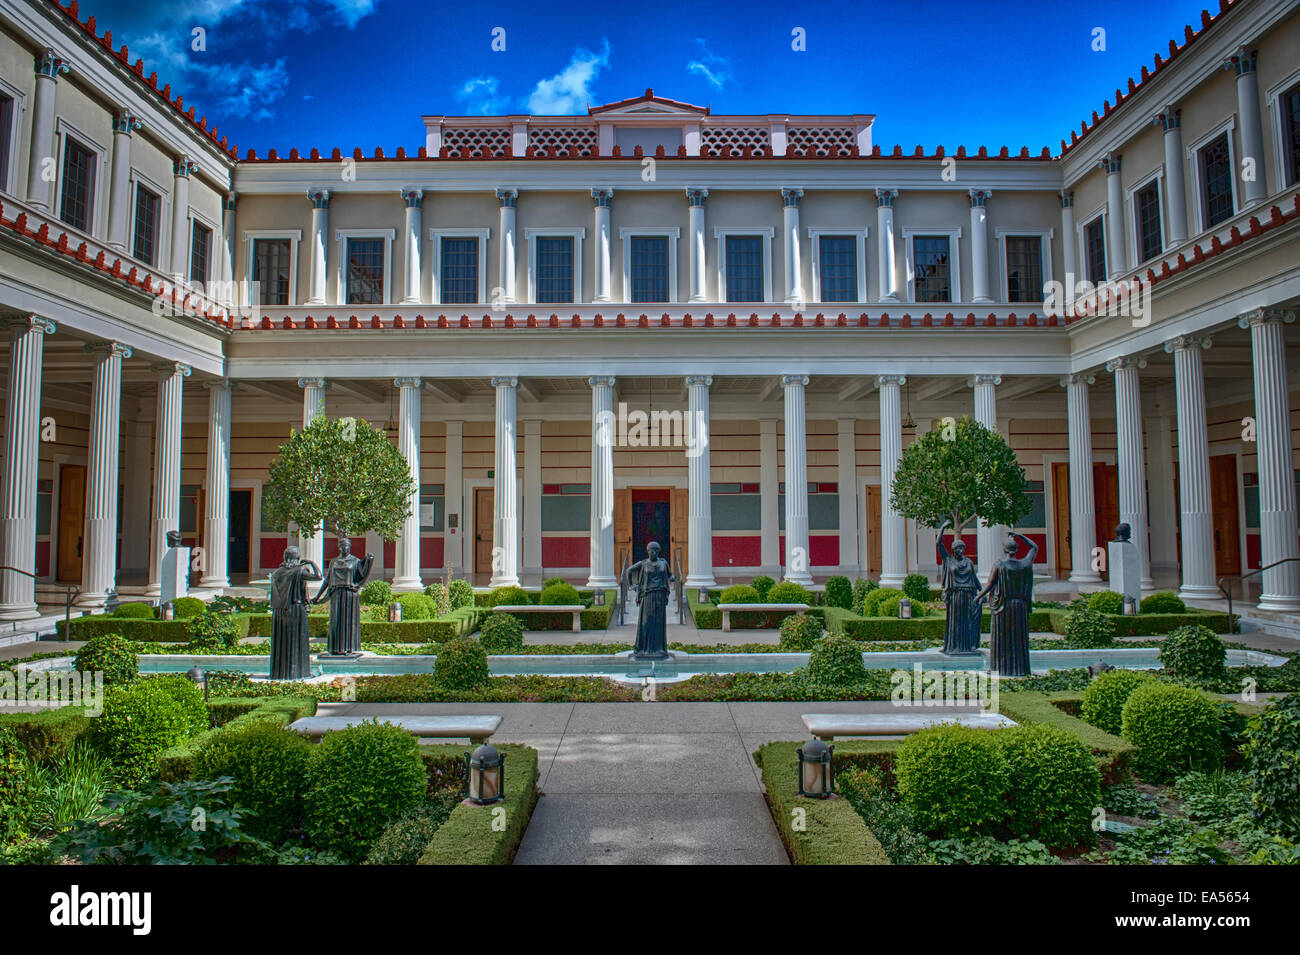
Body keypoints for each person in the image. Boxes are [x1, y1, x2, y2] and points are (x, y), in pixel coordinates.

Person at [976, 531, 1038, 677]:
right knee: (1019, 639)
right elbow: (1034, 547)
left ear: (1004, 550)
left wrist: (978, 596)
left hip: (1003, 607)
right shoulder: (1025, 563)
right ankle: (1020, 669)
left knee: (1001, 639)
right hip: (1020, 606)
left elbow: (990, 584)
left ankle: (1000, 669)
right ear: (1016, 550)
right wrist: (1020, 536)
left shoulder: (999, 564)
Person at [313, 538, 375, 656]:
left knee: (349, 621)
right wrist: (318, 596)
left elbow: (363, 575)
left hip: (350, 594)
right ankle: (335, 648)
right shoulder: (334, 562)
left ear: (350, 546)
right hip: (336, 593)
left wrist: (358, 585)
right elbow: (327, 580)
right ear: (339, 547)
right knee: (336, 621)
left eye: (346, 545)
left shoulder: (355, 561)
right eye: (342, 545)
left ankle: (349, 647)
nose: (344, 547)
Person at [269, 546, 320, 679]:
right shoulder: (300, 570)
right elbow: (318, 577)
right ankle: (299, 673)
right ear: (297, 558)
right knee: (297, 641)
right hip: (295, 609)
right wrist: (311, 563)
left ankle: (279, 673)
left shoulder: (276, 573)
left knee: (281, 643)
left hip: (279, 611)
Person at [625, 541, 675, 660]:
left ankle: (659, 649)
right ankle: (643, 649)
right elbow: (629, 571)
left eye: (656, 550)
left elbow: (670, 575)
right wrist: (632, 586)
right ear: (648, 551)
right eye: (652, 550)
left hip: (660, 595)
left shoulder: (663, 563)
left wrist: (672, 578)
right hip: (647, 596)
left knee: (659, 622)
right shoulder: (643, 564)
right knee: (646, 622)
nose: (654, 552)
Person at [937, 519, 980, 654]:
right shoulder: (948, 560)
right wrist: (943, 527)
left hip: (968, 594)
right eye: (957, 548)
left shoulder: (968, 562)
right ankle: (953, 646)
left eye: (962, 548)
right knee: (955, 621)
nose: (960, 550)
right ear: (953, 550)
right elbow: (939, 544)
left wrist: (982, 592)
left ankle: (967, 647)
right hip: (955, 595)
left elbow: (975, 579)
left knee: (968, 621)